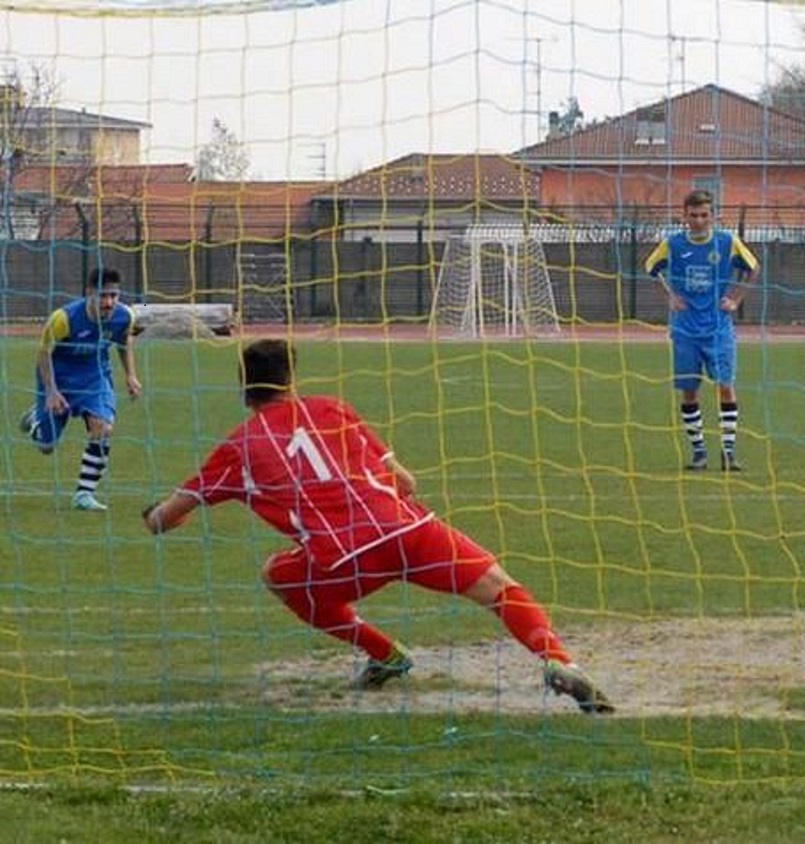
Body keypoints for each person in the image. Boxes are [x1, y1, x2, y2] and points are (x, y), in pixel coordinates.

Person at [140, 339, 614, 714]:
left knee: (277, 575)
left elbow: (165, 518)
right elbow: (406, 481)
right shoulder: (331, 408)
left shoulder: (238, 446)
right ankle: (558, 660)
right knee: (499, 588)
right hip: (411, 531)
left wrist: (159, 516)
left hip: (344, 558)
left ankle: (385, 653)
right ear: (291, 379)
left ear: (243, 385)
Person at [644, 189, 760, 471]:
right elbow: (650, 268)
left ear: (713, 216)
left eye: (704, 215)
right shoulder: (672, 244)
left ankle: (728, 453)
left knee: (726, 387)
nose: (698, 220)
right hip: (684, 331)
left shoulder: (727, 242)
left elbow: (754, 268)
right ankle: (699, 453)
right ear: (684, 216)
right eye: (693, 215)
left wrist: (736, 299)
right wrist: (669, 296)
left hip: (718, 330)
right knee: (689, 392)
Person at [18, 267, 142, 511]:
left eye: (113, 296)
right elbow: (44, 353)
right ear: (88, 293)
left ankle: (84, 495)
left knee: (103, 428)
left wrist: (130, 375)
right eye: (103, 296)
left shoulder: (125, 316)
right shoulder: (63, 318)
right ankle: (35, 417)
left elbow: (123, 343)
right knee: (46, 447)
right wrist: (52, 391)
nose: (108, 302)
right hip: (58, 376)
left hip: (94, 376)